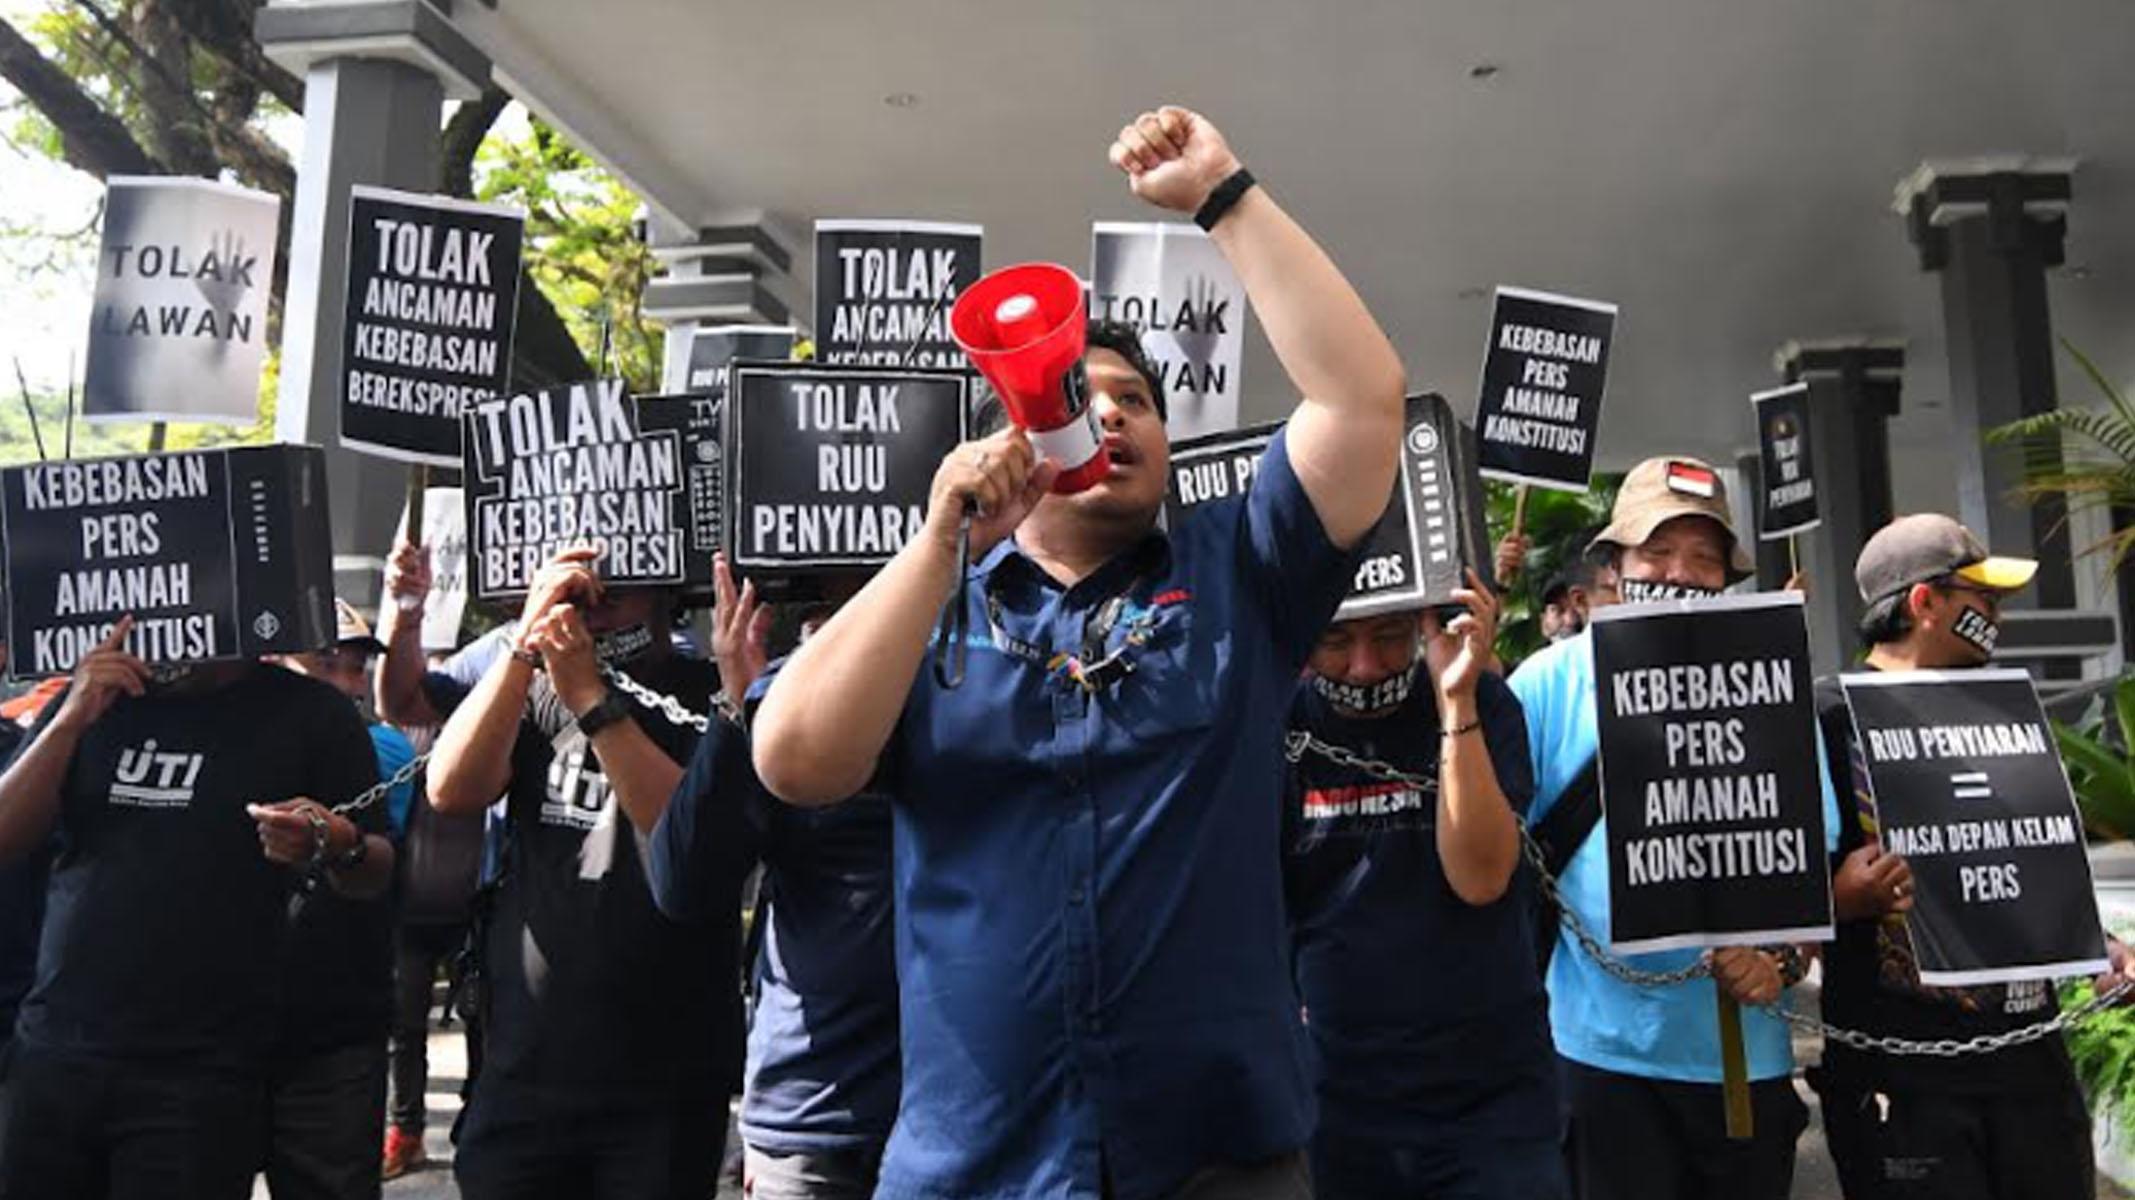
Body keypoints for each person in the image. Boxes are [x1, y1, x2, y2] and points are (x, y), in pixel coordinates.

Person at [752, 105, 1407, 1199]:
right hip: (975, 1167)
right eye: (1074, 396)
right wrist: (938, 545)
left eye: (1137, 402)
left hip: (1218, 1160)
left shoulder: (1243, 567)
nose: (1109, 415)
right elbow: (795, 760)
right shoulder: (931, 605)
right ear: (1009, 435)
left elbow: (1358, 400)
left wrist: (1222, 195)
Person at [1506, 457, 1839, 1200]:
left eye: (1701, 559)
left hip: (1735, 1061)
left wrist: (1779, 960)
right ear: (1615, 569)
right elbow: (1492, 858)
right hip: (1594, 1058)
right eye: (1657, 553)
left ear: (1725, 578)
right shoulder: (1547, 684)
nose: (1680, 574)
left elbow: (1807, 862)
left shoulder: (1772, 683)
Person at [0, 619, 389, 1200]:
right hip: (54, 1054)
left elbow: (378, 870)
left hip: (201, 1073)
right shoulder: (97, 697)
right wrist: (74, 714)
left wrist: (334, 843)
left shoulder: (311, 714)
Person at [1810, 513, 2135, 1200]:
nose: (1996, 618)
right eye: (1981, 600)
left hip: (2030, 1064)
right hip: (1899, 1075)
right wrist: (1837, 897)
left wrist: (2093, 945)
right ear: (1923, 603)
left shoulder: (2006, 709)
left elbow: (2027, 862)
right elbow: (1775, 889)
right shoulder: (1827, 717)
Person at [427, 546, 733, 1200]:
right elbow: (451, 788)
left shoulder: (711, 690)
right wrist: (522, 646)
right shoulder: (536, 688)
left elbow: (691, 835)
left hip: (662, 1082)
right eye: (578, 598)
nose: (592, 613)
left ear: (660, 595)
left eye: (612, 596)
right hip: (525, 1068)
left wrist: (591, 699)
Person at [1284, 575, 1568, 1200]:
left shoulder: (1486, 705)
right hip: (1339, 1100)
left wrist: (1457, 701)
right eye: (1336, 641)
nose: (1364, 666)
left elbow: (1482, 877)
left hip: (1490, 1100)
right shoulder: (1281, 725)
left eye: (1388, 636)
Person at [646, 557, 898, 1200]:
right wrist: (743, 713)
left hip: (965, 1108)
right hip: (815, 1111)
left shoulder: (976, 677)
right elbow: (684, 884)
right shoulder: (780, 701)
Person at [260, 601, 408, 1200]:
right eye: (328, 665)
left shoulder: (385, 749)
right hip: (221, 1027)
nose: (347, 686)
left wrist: (334, 840)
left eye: (356, 669)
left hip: (333, 1025)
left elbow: (376, 859)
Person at [1538, 538, 1619, 642]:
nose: (1569, 621)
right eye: (1559, 611)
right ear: (1543, 622)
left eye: (1575, 611)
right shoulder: (1540, 658)